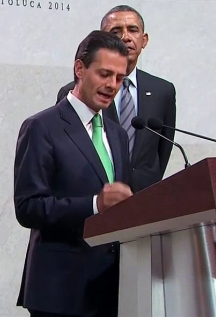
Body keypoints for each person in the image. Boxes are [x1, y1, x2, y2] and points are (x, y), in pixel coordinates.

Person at [15, 30, 134, 317]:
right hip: (60, 290)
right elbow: (28, 207)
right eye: (104, 74)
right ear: (79, 68)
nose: (112, 85)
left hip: (111, 289)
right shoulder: (42, 127)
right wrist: (95, 205)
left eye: (119, 78)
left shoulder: (117, 134)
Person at [57, 5, 176, 193]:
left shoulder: (163, 91)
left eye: (133, 30)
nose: (125, 37)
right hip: (94, 202)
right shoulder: (76, 92)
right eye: (116, 31)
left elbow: (162, 152)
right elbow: (67, 156)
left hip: (145, 202)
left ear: (144, 40)